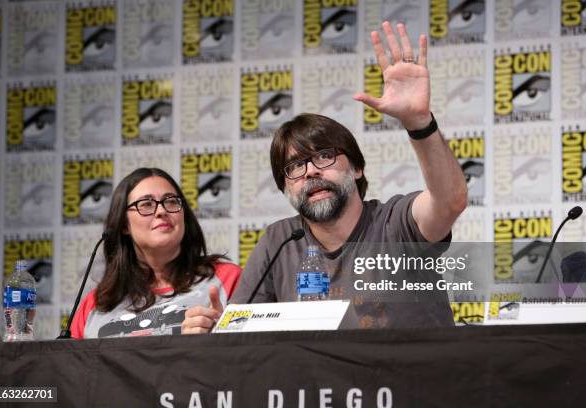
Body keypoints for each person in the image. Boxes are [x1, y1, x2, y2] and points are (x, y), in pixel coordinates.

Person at [182, 21, 467, 333]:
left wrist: (419, 122)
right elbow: (240, 337)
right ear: (286, 187)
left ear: (357, 167)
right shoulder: (279, 242)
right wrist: (215, 335)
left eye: (323, 156)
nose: (311, 171)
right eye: (294, 167)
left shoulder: (394, 224)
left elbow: (449, 201)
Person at [71, 168, 240, 338]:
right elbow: (69, 362)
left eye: (171, 201)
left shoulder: (226, 279)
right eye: (146, 204)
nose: (161, 211)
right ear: (124, 225)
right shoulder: (96, 302)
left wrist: (221, 335)